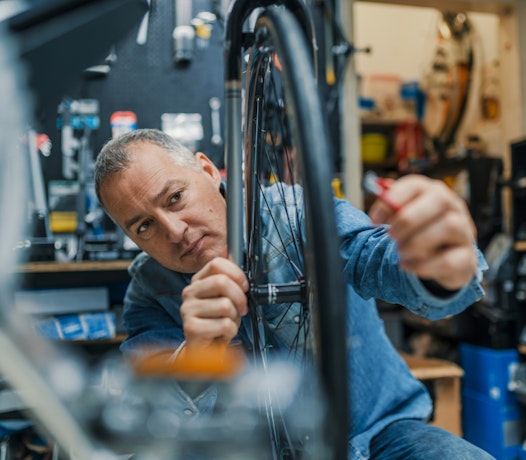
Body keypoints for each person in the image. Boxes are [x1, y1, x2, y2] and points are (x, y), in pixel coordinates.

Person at [94, 128, 493, 460]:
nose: (174, 231)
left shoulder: (297, 213)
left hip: (375, 440)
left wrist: (440, 264)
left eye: (175, 198)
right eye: (144, 226)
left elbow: (376, 257)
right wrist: (197, 354)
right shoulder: (149, 292)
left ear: (207, 170)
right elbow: (149, 420)